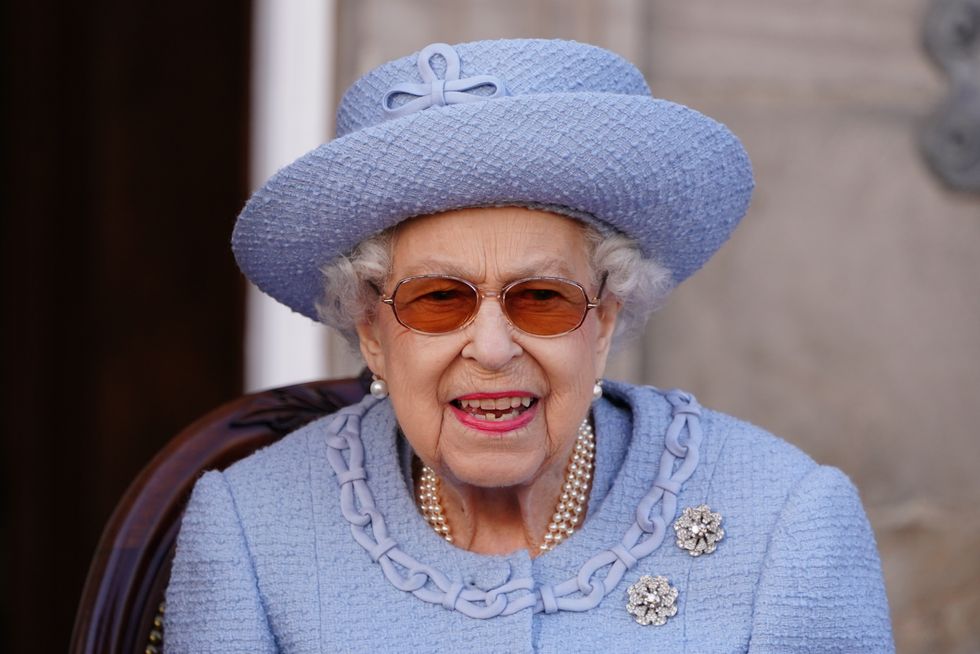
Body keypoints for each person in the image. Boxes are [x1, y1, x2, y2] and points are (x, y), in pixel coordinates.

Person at [165, 39, 894, 652]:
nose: (490, 347)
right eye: (438, 299)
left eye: (542, 300)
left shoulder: (786, 520)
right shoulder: (251, 529)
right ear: (372, 333)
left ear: (604, 320)